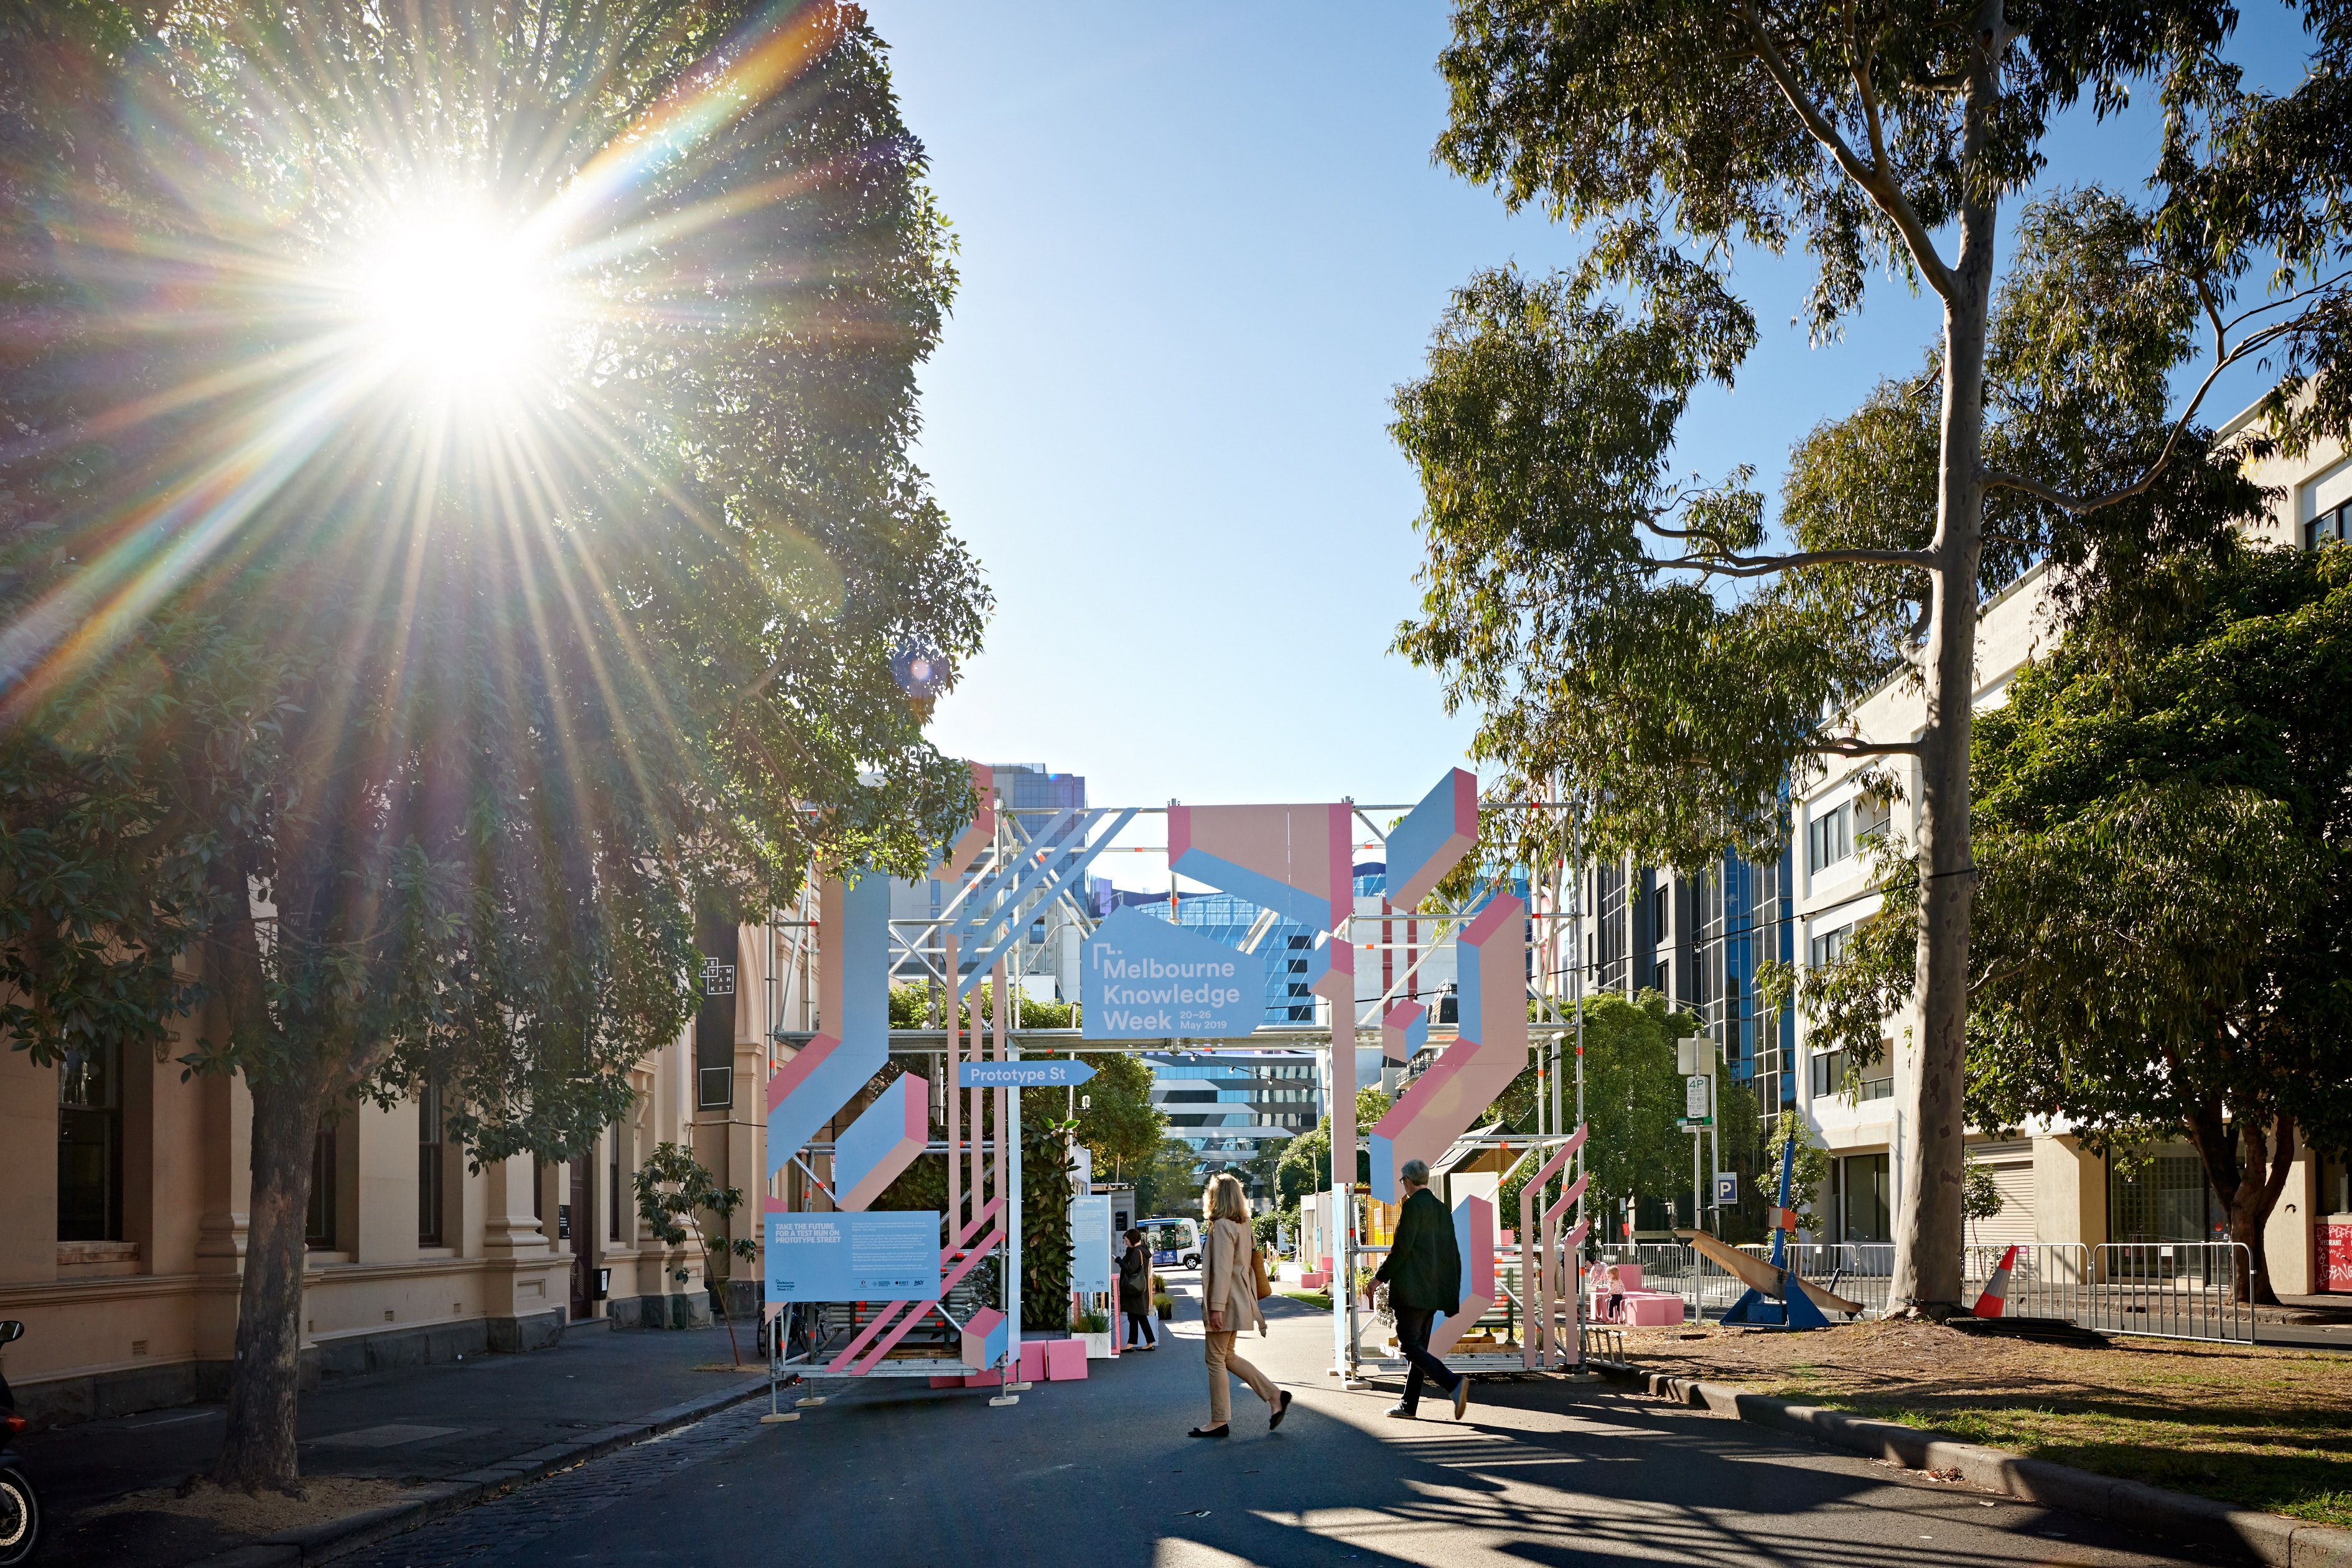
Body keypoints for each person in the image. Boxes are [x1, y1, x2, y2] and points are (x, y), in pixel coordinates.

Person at [1191, 1172, 1290, 1438]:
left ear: (1215, 1197)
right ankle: (1274, 1395)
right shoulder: (1243, 1224)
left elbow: (1222, 1271)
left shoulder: (1222, 1226)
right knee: (1227, 1356)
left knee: (1214, 1359)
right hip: (1239, 1299)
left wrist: (1216, 1307)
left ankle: (1219, 1420)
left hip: (1227, 1302)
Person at [1373, 1158, 1469, 1421]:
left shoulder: (1413, 1206)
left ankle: (1453, 1384)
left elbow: (1402, 1249)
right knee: (1419, 1350)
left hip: (1412, 1292)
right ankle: (1408, 1405)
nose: (1403, 1185)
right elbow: (1452, 1254)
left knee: (1408, 1347)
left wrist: (1378, 1278)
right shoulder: (1441, 1208)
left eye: (1403, 1180)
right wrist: (1449, 1293)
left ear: (1409, 1181)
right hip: (1433, 1292)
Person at [1119, 1228, 1157, 1351]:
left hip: (1135, 1289)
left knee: (1138, 1316)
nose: (1126, 1243)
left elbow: (1131, 1269)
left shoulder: (1136, 1252)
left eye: (1127, 1240)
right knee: (1134, 1316)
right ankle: (1133, 1343)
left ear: (1132, 1240)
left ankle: (1146, 1342)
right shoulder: (1140, 1250)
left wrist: (1118, 1260)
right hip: (1138, 1289)